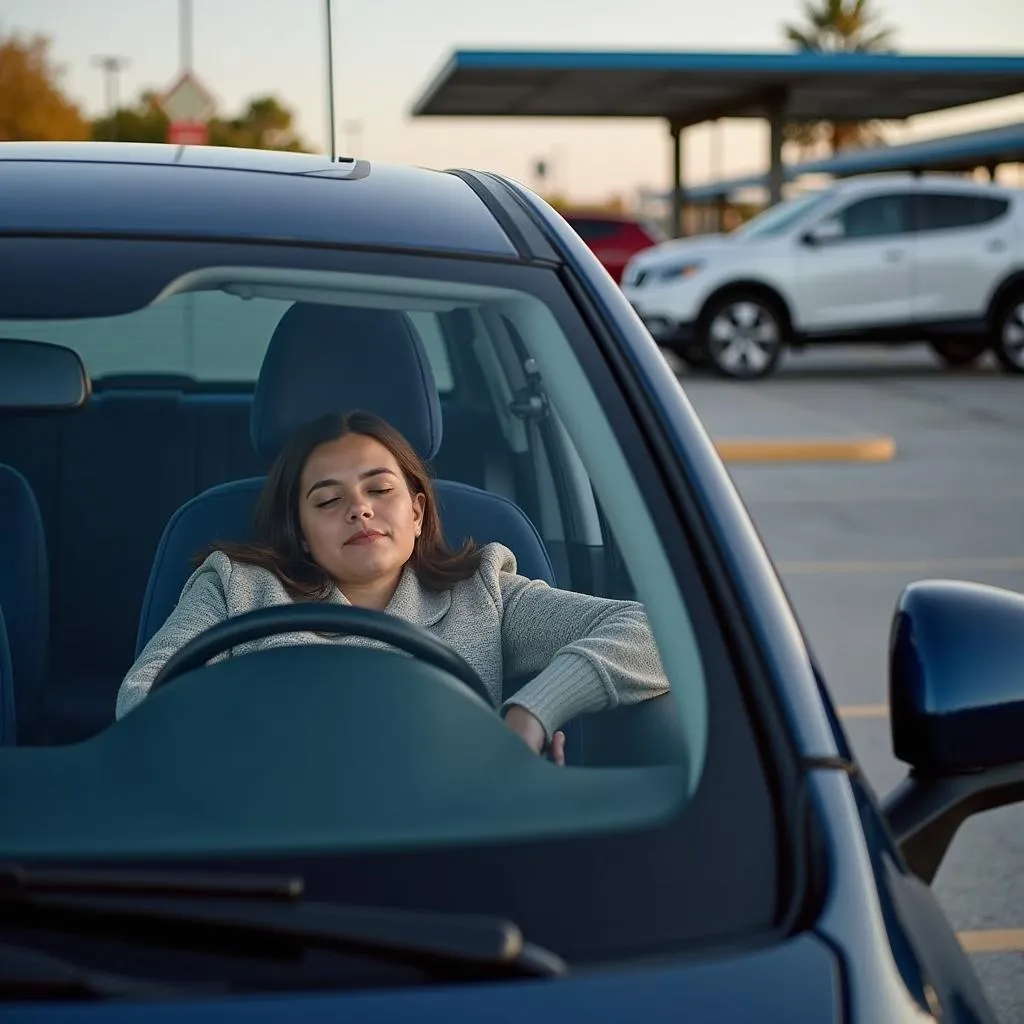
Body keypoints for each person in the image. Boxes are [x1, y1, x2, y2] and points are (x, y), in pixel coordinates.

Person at [116, 411, 670, 764]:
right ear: (303, 535)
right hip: (274, 838)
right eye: (329, 501)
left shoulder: (486, 591)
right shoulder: (235, 587)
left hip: (449, 838)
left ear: (418, 512)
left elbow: (660, 634)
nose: (359, 509)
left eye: (379, 489)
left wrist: (530, 713)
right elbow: (145, 697)